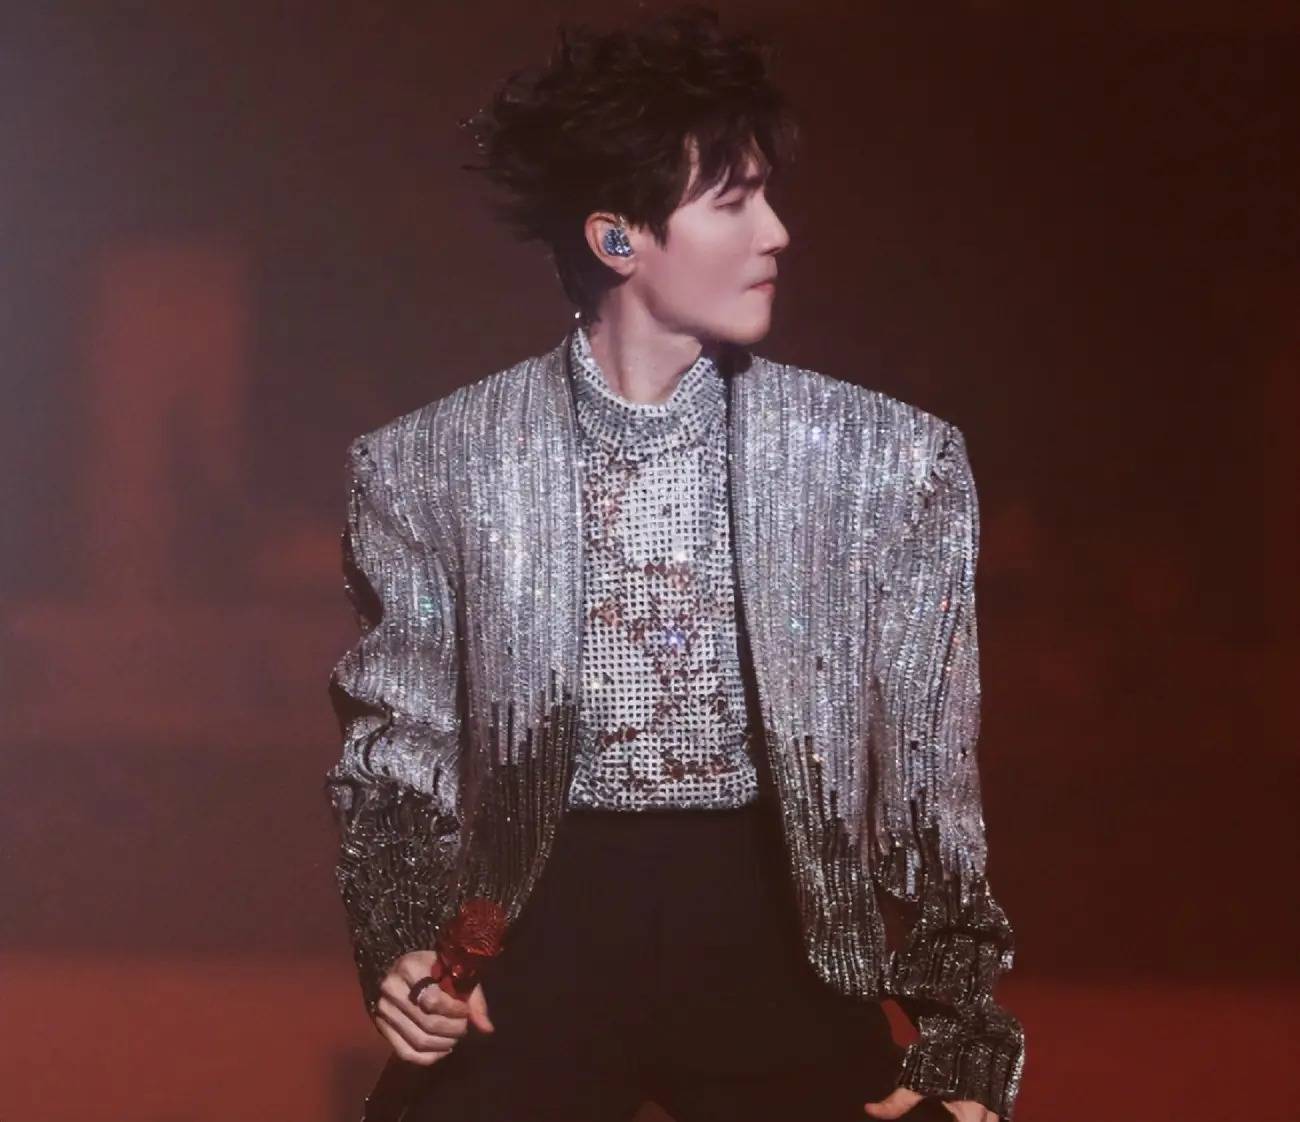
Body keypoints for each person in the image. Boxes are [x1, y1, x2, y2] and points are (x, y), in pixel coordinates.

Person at [323, 6, 1025, 1121]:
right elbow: (399, 749)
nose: (777, 232)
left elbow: (930, 769)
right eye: (734, 201)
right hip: (532, 935)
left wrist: (960, 1031)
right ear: (617, 239)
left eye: (766, 196)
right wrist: (405, 940)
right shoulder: (427, 465)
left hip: (778, 936)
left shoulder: (889, 460)